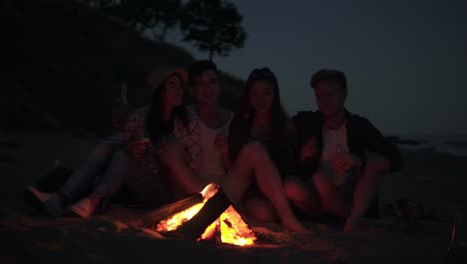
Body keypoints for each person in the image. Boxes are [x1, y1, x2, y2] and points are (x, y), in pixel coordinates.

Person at [161, 61, 309, 234]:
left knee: (254, 149)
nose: (207, 89)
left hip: (226, 190)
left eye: (212, 82)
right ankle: (204, 208)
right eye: (201, 84)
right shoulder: (183, 117)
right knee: (169, 148)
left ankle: (288, 218)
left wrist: (225, 151)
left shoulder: (233, 120)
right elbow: (170, 159)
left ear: (219, 86)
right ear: (192, 90)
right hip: (195, 189)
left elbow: (233, 168)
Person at [26, 65, 189, 218]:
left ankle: (83, 199)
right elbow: (114, 141)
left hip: (162, 190)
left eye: (180, 87)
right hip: (136, 181)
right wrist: (129, 144)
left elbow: (184, 161)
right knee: (116, 149)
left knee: (120, 153)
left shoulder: (183, 122)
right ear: (159, 92)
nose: (180, 91)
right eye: (173, 87)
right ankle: (65, 198)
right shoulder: (141, 116)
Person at [292, 69, 404, 232]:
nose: (324, 102)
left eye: (330, 95)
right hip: (321, 201)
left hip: (354, 200)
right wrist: (301, 156)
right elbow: (279, 133)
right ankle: (358, 222)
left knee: (373, 162)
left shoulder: (359, 126)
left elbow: (397, 159)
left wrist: (360, 160)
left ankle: (355, 219)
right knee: (318, 180)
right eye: (319, 97)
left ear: (344, 94)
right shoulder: (308, 122)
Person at [228, 67, 321, 222]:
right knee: (263, 213)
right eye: (254, 93)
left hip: (281, 183)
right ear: (249, 97)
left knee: (295, 189)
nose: (261, 99)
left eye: (266, 93)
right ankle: (288, 216)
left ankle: (321, 220)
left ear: (274, 95)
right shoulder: (241, 124)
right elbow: (235, 165)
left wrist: (304, 157)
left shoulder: (284, 125)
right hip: (253, 189)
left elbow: (295, 165)